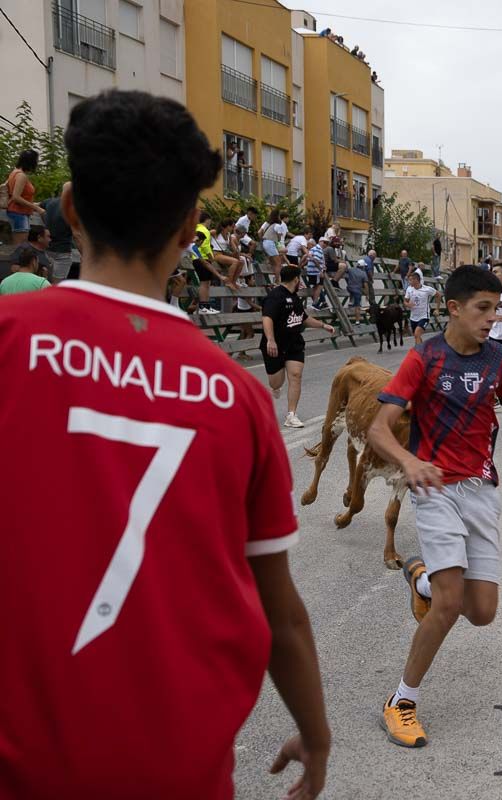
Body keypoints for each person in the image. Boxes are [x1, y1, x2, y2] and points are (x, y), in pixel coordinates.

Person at [0, 89, 328, 799]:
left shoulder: (9, 338)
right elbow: (282, 613)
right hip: (177, 773)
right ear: (189, 228)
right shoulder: (238, 396)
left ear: (71, 211)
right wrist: (317, 731)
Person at [367, 265, 502, 748]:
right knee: (451, 605)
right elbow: (379, 428)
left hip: (480, 489)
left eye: (497, 308)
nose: (494, 318)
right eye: (483, 308)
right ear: (453, 308)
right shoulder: (424, 358)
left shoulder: (500, 360)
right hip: (434, 488)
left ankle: (422, 578)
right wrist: (409, 462)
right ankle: (401, 700)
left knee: (483, 611)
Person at [262, 264, 335, 428]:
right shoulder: (275, 297)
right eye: (299, 279)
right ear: (296, 279)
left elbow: (303, 318)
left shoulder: (294, 297)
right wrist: (270, 340)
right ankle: (275, 388)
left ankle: (291, 415)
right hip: (276, 345)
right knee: (276, 382)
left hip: (294, 344)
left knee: (295, 375)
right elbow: (267, 318)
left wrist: (323, 325)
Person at [42, 183, 79, 283]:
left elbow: (36, 205)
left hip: (47, 249)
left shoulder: (50, 202)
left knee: (45, 281)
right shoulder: (71, 207)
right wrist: (83, 254)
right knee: (57, 284)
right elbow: (76, 235)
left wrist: (40, 211)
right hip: (63, 251)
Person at [5, 149, 44, 245]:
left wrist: (37, 204)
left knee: (20, 248)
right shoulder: (21, 176)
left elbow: (19, 196)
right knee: (20, 248)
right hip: (19, 214)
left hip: (16, 213)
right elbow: (16, 197)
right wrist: (37, 208)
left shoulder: (14, 172)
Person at [193, 210, 223, 314]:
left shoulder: (195, 228)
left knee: (205, 283)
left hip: (195, 258)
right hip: (203, 258)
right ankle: (203, 307)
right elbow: (205, 246)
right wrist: (211, 257)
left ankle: (205, 306)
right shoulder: (205, 230)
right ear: (207, 220)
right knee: (205, 284)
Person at [403, 270, 439, 344]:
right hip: (413, 317)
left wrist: (437, 309)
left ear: (416, 280)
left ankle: (418, 354)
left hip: (424, 317)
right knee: (416, 336)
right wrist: (407, 304)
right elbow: (405, 301)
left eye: (410, 280)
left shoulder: (427, 289)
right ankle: (423, 351)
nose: (409, 282)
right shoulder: (409, 289)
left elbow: (438, 295)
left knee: (417, 334)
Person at [259, 209, 289, 279]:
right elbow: (279, 239)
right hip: (271, 243)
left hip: (267, 243)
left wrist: (262, 240)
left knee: (276, 260)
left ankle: (276, 278)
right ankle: (277, 280)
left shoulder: (269, 224)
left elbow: (260, 232)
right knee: (278, 263)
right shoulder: (277, 226)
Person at [304, 238, 326, 309]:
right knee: (319, 287)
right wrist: (320, 270)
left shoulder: (313, 249)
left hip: (312, 271)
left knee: (316, 286)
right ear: (320, 242)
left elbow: (307, 258)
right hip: (316, 271)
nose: (326, 244)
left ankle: (318, 303)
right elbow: (315, 259)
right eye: (325, 242)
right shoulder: (318, 249)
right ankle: (315, 303)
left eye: (327, 243)